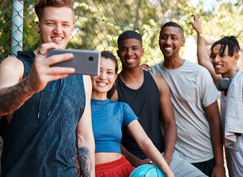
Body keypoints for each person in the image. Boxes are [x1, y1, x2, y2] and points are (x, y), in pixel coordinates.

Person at [0, 0, 95, 177]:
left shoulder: (83, 77)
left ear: (72, 29)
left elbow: (84, 136)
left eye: (65, 25)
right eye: (50, 23)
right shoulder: (15, 65)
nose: (58, 31)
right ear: (38, 26)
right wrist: (30, 85)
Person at [111, 30, 207, 177]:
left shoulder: (158, 82)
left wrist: (166, 159)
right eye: (124, 49)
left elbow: (170, 124)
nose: (129, 53)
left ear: (142, 51)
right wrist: (137, 162)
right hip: (131, 161)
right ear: (118, 53)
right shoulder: (114, 90)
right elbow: (112, 136)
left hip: (163, 156)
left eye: (134, 48)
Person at [191, 15, 243, 177]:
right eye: (214, 56)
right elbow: (203, 59)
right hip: (238, 165)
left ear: (236, 57)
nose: (216, 60)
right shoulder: (225, 83)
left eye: (222, 55)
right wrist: (200, 33)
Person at [144, 22, 225, 176]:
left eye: (174, 38)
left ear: (182, 42)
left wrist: (220, 164)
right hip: (173, 158)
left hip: (203, 155)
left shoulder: (199, 73)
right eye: (164, 37)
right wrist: (137, 71)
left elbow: (215, 120)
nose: (168, 42)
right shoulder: (151, 73)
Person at [91, 51, 174, 177]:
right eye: (98, 70)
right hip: (90, 171)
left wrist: (168, 173)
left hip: (121, 170)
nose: (103, 77)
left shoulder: (121, 108)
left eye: (109, 72)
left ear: (114, 78)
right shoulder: (79, 106)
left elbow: (144, 141)